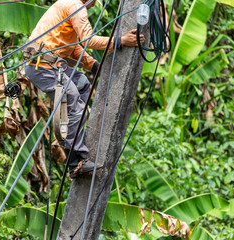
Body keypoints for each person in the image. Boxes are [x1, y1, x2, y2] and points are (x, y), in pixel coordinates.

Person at [24, 0, 145, 178]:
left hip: (49, 64)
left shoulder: (68, 5)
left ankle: (74, 129)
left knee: (82, 85)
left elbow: (74, 48)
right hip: (41, 66)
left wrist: (95, 66)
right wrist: (121, 41)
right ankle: (76, 162)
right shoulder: (75, 6)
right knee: (73, 101)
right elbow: (89, 40)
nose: (93, 4)